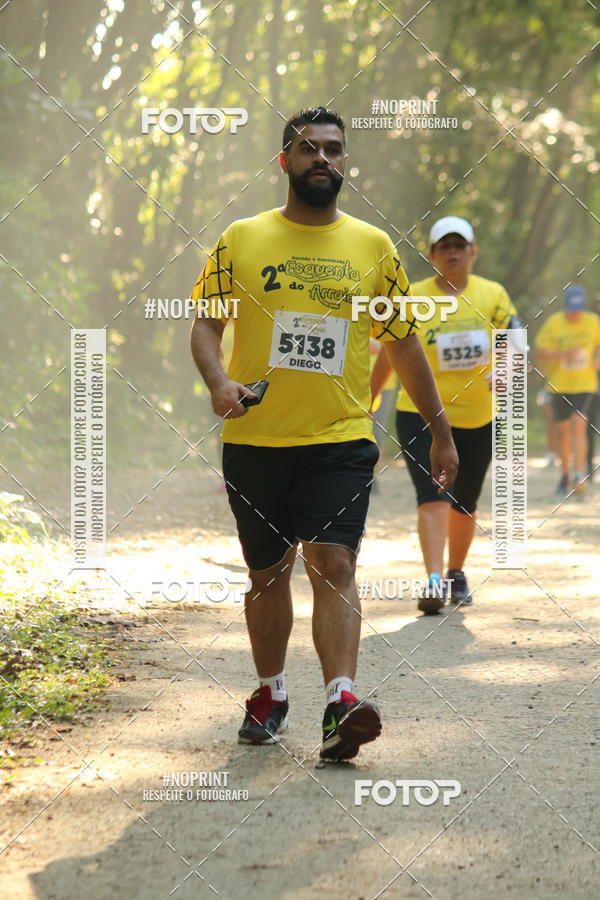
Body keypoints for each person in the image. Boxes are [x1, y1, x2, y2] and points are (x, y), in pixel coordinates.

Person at [190, 107, 458, 760]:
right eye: (308, 149)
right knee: (267, 575)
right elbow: (204, 324)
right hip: (256, 440)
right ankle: (270, 689)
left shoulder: (373, 248)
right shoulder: (242, 239)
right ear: (284, 162)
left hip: (341, 439)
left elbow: (405, 345)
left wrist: (441, 432)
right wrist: (219, 384)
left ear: (346, 164)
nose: (322, 159)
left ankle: (341, 702)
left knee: (333, 563)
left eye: (334, 150)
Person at [371, 216, 519, 614]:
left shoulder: (493, 295)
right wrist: (368, 396)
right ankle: (434, 580)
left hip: (477, 418)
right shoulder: (413, 296)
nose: (452, 252)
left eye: (460, 246)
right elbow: (392, 348)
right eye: (444, 247)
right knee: (434, 493)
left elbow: (513, 340)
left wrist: (502, 369)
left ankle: (456, 571)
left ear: (473, 252)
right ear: (432, 254)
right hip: (420, 414)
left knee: (465, 502)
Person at [534, 285, 600, 496]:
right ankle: (565, 475)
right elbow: (539, 352)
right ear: (566, 307)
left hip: (584, 384)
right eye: (572, 309)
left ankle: (580, 473)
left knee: (579, 425)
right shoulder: (554, 323)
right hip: (558, 385)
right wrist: (562, 355)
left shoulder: (593, 321)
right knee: (562, 432)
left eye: (578, 308)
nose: (575, 313)